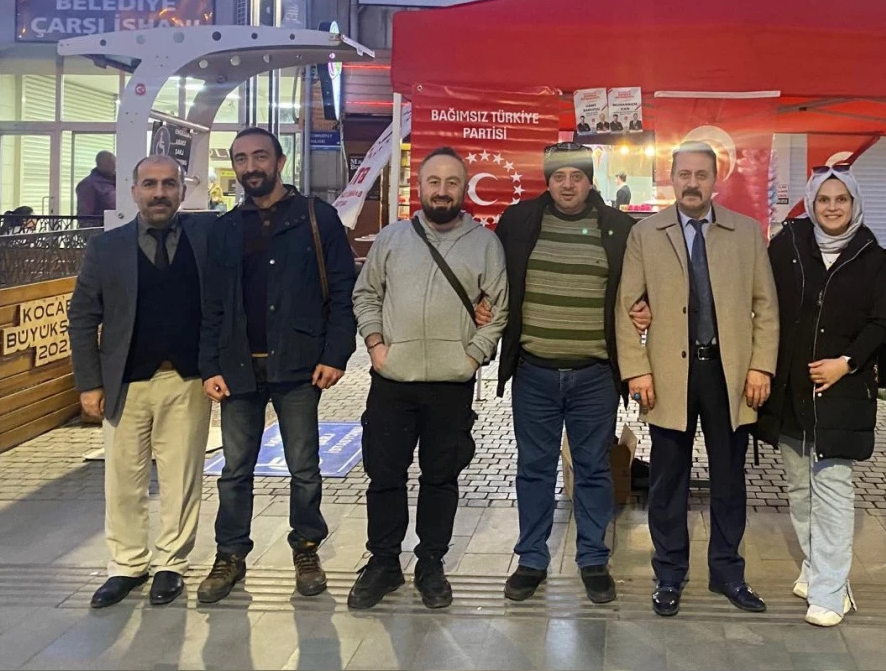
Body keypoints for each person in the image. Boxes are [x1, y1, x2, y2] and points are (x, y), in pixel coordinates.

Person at [615, 140, 779, 617]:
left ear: (715, 179)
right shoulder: (646, 234)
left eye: (701, 175)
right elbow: (627, 306)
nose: (692, 183)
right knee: (668, 480)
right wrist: (637, 369)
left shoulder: (745, 232)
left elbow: (766, 306)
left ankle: (728, 571)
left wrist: (761, 365)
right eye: (684, 174)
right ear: (671, 178)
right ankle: (669, 573)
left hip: (730, 373)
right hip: (669, 373)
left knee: (729, 478)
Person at [196, 127, 357, 603]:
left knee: (304, 467)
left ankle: (306, 548)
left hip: (299, 365)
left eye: (260, 156)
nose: (251, 167)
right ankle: (230, 554)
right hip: (238, 366)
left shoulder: (317, 217)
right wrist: (209, 365)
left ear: (281, 162)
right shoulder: (225, 229)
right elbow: (211, 306)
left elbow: (343, 292)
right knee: (234, 471)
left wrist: (335, 354)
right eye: (241, 158)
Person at [477, 142, 639, 605]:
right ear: (547, 181)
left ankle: (593, 559)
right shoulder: (519, 221)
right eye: (558, 176)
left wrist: (643, 307)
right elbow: (492, 274)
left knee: (594, 470)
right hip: (534, 373)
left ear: (590, 181)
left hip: (595, 375)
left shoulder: (619, 228)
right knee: (534, 469)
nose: (568, 185)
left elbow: (636, 286)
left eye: (577, 176)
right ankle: (532, 559)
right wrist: (479, 302)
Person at [346, 146, 507, 609]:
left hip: (451, 387)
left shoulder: (485, 244)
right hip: (392, 383)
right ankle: (383, 562)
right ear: (419, 187)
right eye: (433, 182)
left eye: (451, 182)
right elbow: (365, 295)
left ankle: (431, 563)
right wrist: (375, 345)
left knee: (441, 478)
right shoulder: (392, 239)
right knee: (384, 476)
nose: (442, 190)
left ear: (464, 187)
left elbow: (499, 310)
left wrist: (472, 356)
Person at [68, 155, 214, 608]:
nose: (159, 193)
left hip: (187, 380)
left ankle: (171, 563)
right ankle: (127, 565)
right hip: (125, 383)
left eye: (169, 184)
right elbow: (82, 317)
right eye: (150, 184)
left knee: (181, 478)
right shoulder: (106, 248)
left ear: (182, 191)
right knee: (123, 480)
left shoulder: (206, 238)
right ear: (133, 191)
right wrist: (89, 383)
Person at [756, 165, 886, 627]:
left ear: (854, 204)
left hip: (842, 389)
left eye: (841, 200)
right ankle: (817, 565)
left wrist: (846, 363)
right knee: (799, 488)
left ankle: (832, 589)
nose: (832, 208)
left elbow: (881, 321)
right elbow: (762, 301)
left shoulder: (873, 256)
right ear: (812, 204)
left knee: (832, 487)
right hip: (790, 387)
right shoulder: (788, 245)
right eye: (823, 200)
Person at [76, 151, 117, 225]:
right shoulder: (88, 184)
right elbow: (85, 216)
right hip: (101, 228)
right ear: (101, 163)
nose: (114, 166)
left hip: (119, 226)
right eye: (111, 162)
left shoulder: (119, 182)